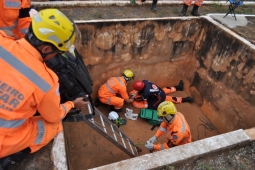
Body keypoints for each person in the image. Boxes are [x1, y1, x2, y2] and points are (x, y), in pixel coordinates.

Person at [0, 9, 88, 169]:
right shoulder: (46, 81)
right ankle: (11, 157)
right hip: (3, 138)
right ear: (47, 49)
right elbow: (54, 116)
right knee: (53, 126)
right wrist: (72, 104)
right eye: (58, 53)